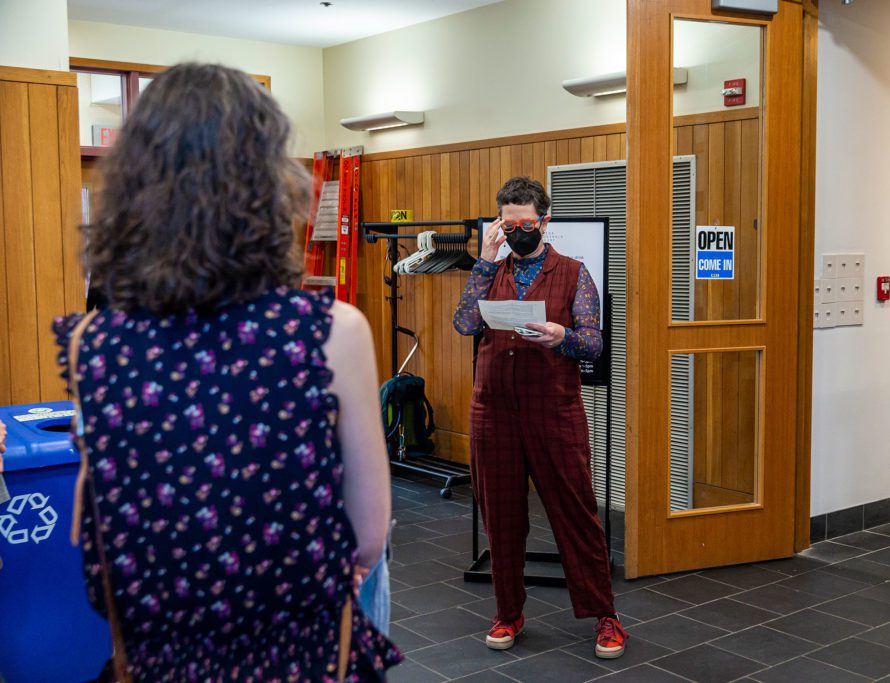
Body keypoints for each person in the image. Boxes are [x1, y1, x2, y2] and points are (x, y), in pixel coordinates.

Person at [52, 63, 401, 681]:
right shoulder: (331, 329)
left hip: (165, 657)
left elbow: (98, 539)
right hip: (300, 650)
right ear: (269, 186)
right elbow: (368, 537)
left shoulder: (90, 343)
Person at [453, 176, 628, 658]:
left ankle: (605, 616)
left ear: (544, 222)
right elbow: (465, 322)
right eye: (508, 224)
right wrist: (484, 260)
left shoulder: (574, 272)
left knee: (576, 513)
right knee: (502, 518)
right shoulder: (491, 268)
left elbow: (594, 340)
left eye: (525, 223)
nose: (517, 231)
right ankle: (508, 612)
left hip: (554, 411)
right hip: (494, 412)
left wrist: (562, 336)